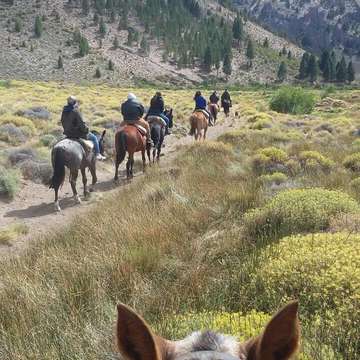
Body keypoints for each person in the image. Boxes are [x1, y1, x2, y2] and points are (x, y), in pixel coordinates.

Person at [61, 96, 106, 160]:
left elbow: (62, 122)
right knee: (94, 138)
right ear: (74, 102)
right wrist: (86, 130)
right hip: (77, 134)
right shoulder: (75, 111)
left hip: (67, 133)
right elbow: (81, 124)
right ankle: (97, 154)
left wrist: (67, 129)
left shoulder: (64, 111)